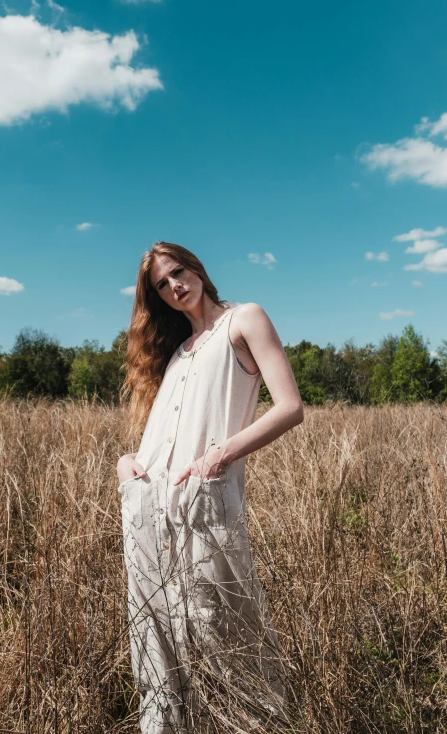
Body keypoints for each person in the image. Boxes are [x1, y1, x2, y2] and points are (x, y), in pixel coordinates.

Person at [117, 241, 304, 734]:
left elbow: (290, 407)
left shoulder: (244, 319)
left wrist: (217, 457)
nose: (175, 285)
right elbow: (165, 430)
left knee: (220, 629)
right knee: (157, 634)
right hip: (148, 509)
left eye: (178, 271)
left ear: (196, 267)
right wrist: (127, 461)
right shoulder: (177, 352)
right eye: (162, 284)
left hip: (204, 501)